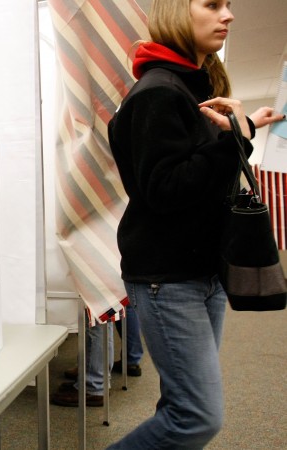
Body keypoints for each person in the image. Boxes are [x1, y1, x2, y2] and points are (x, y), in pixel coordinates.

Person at [105, 1, 285, 449]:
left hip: (199, 273)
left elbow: (196, 178)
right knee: (195, 417)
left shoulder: (187, 88)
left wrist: (236, 135)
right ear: (176, 13)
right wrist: (234, 140)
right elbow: (163, 189)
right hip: (170, 277)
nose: (228, 15)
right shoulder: (159, 92)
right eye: (212, 4)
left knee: (181, 405)